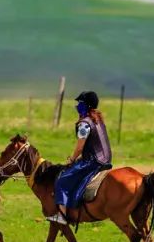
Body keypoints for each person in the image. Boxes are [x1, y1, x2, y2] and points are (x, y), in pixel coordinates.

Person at [47, 90, 112, 226]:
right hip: (105, 159)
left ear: (87, 105)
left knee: (62, 180)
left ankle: (62, 215)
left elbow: (79, 148)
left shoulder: (84, 124)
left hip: (93, 161)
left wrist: (71, 160)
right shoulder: (98, 119)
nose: (78, 106)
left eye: (81, 103)